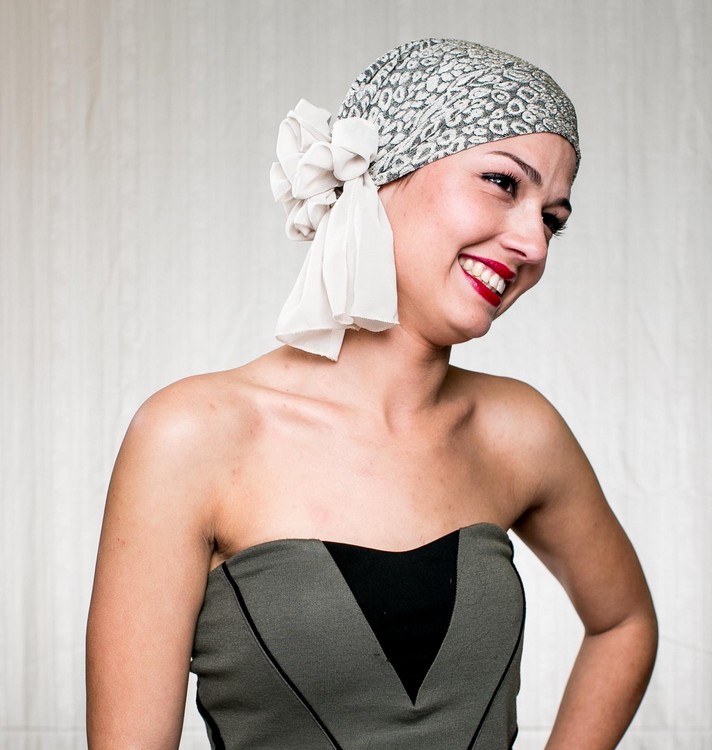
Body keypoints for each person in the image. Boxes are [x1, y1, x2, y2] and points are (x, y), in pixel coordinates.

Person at [86, 38, 657, 749]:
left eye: (552, 219)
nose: (534, 245)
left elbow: (623, 622)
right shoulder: (193, 436)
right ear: (380, 175)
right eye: (504, 183)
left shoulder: (519, 431)